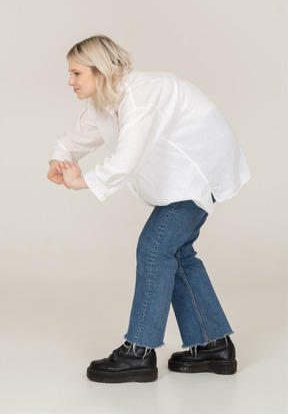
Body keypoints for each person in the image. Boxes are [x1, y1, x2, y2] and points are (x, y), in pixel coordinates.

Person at [47, 35, 251, 383]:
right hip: (180, 177)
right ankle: (214, 345)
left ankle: (138, 353)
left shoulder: (142, 95)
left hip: (199, 171)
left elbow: (127, 159)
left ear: (99, 70)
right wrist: (59, 162)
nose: (70, 81)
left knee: (155, 248)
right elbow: (74, 138)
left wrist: (82, 181)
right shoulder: (105, 100)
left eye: (76, 73)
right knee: (176, 251)